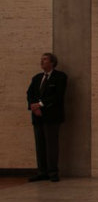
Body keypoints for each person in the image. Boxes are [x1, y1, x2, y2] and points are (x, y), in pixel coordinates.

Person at [26, 52, 68, 182]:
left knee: (51, 145)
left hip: (52, 117)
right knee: (40, 145)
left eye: (45, 59)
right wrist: (33, 106)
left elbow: (58, 96)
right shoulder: (37, 78)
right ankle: (42, 171)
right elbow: (30, 93)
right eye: (41, 59)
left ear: (52, 63)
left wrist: (40, 105)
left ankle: (53, 172)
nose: (42, 61)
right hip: (37, 117)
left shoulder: (60, 77)